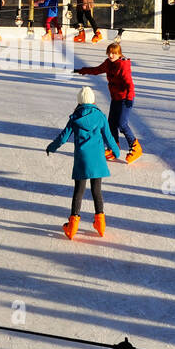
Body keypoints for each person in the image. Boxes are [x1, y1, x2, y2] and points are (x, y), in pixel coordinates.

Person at [46, 85, 121, 239]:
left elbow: (63, 137)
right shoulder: (99, 116)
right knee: (96, 191)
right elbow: (109, 136)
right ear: (92, 100)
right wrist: (117, 151)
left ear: (79, 101)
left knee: (78, 192)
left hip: (82, 159)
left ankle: (72, 226)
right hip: (98, 159)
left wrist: (52, 147)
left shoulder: (75, 118)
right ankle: (100, 225)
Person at [75, 42, 142, 163]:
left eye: (114, 53)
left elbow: (129, 84)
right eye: (109, 53)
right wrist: (82, 70)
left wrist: (130, 98)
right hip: (115, 98)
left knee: (122, 124)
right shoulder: (108, 63)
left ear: (119, 54)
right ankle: (113, 147)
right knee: (111, 123)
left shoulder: (123, 65)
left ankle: (135, 147)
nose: (111, 55)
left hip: (125, 98)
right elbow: (97, 70)